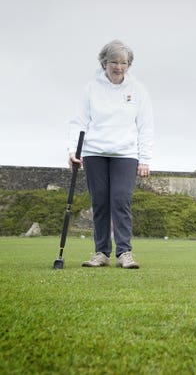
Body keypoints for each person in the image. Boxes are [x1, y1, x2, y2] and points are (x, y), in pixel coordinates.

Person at [68, 40, 154, 269]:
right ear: (104, 62)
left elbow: (146, 126)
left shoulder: (138, 91)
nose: (119, 67)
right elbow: (79, 121)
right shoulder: (91, 88)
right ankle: (101, 252)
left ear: (129, 64)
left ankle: (124, 252)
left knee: (120, 200)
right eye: (114, 62)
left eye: (123, 62)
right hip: (94, 152)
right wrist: (72, 151)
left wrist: (145, 158)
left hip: (126, 154)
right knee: (100, 203)